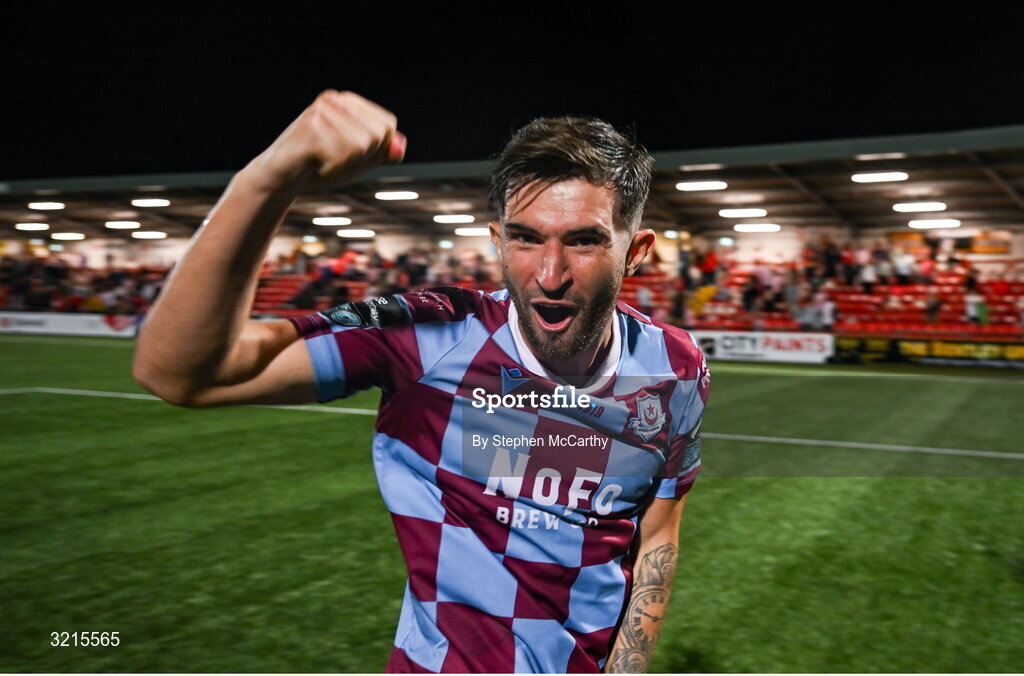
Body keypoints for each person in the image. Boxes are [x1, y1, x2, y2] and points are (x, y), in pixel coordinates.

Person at [133, 91, 709, 674]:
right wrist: (269, 179)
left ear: (635, 252)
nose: (549, 274)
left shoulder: (675, 366)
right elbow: (178, 373)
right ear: (496, 240)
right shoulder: (426, 336)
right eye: (525, 237)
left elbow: (657, 537)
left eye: (583, 241)